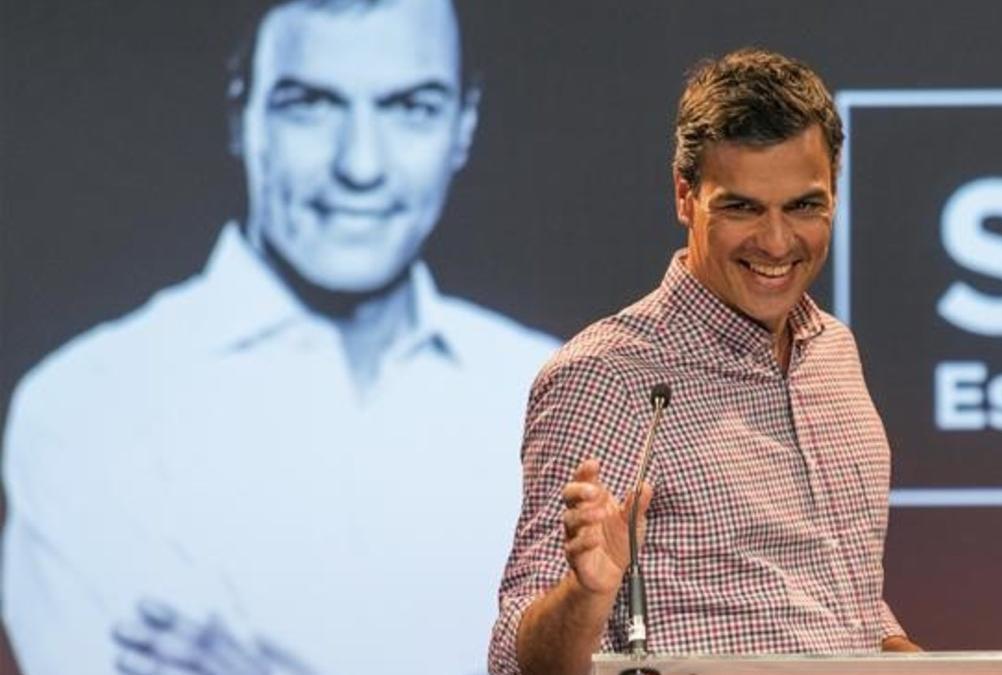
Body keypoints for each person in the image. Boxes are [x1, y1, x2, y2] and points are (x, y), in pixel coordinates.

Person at [1, 1, 557, 673]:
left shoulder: (546, 389)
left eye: (411, 106)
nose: (360, 165)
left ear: (463, 124)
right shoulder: (89, 404)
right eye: (311, 104)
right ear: (244, 115)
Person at [489, 48, 920, 675]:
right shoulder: (606, 376)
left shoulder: (833, 351)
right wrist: (587, 594)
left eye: (804, 206)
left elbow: (838, 600)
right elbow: (513, 661)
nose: (776, 243)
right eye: (741, 207)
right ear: (685, 196)